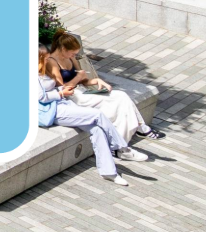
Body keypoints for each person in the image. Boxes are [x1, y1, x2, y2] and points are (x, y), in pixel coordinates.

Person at [39, 46, 148, 186]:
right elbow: (40, 97)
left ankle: (108, 172)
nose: (48, 60)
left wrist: (62, 89)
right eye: (46, 58)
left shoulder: (42, 71)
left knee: (97, 129)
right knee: (97, 115)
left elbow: (54, 88)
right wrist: (61, 93)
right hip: (51, 111)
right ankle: (122, 148)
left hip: (62, 104)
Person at [50, 32, 162, 144]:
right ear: (64, 49)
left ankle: (127, 137)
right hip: (72, 98)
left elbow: (83, 81)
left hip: (82, 92)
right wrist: (79, 76)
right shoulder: (52, 62)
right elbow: (62, 89)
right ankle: (137, 131)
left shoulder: (71, 59)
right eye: (72, 53)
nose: (74, 56)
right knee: (119, 104)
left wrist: (97, 81)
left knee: (122, 96)